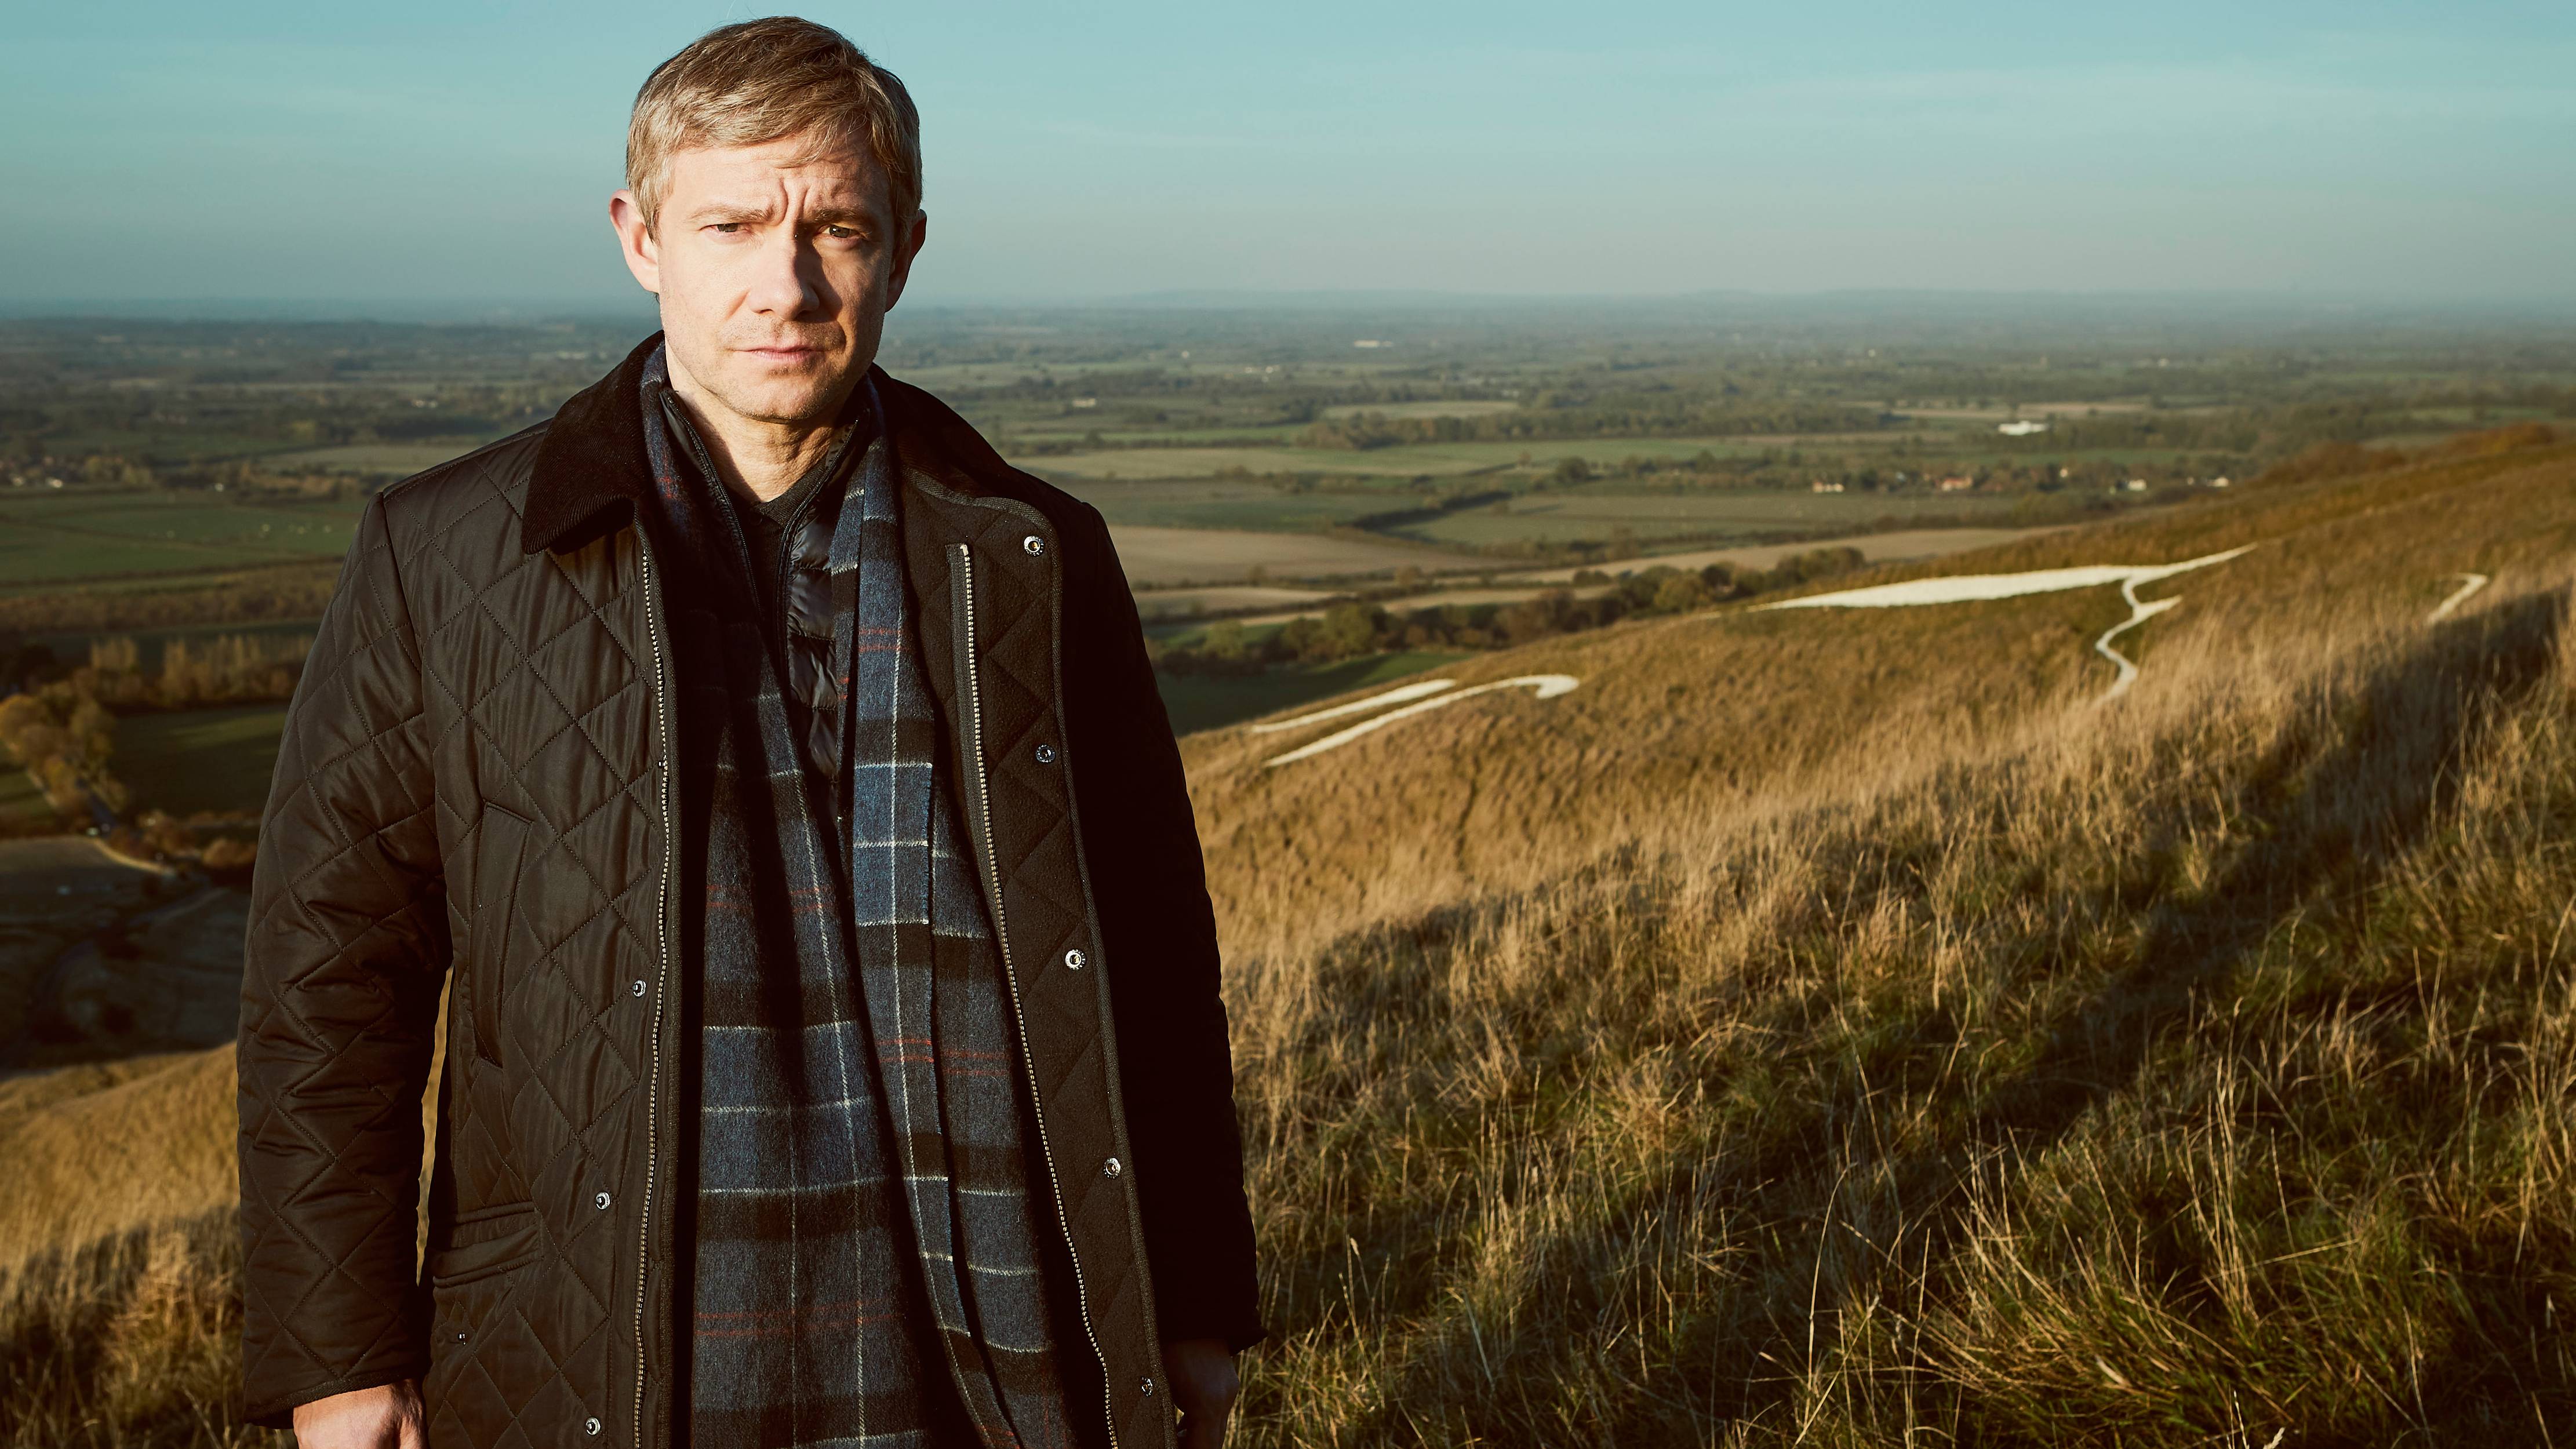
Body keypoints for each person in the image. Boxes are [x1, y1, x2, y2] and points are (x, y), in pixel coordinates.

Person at [235, 18, 1259, 1449]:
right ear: (639, 237)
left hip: (992, 1340)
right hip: (610, 1339)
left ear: (901, 246)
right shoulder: (448, 552)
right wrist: (339, 1356)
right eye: (730, 222)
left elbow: (1150, 953)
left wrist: (1196, 1300)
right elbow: (331, 982)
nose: (782, 283)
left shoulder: (1033, 556)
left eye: (832, 226)